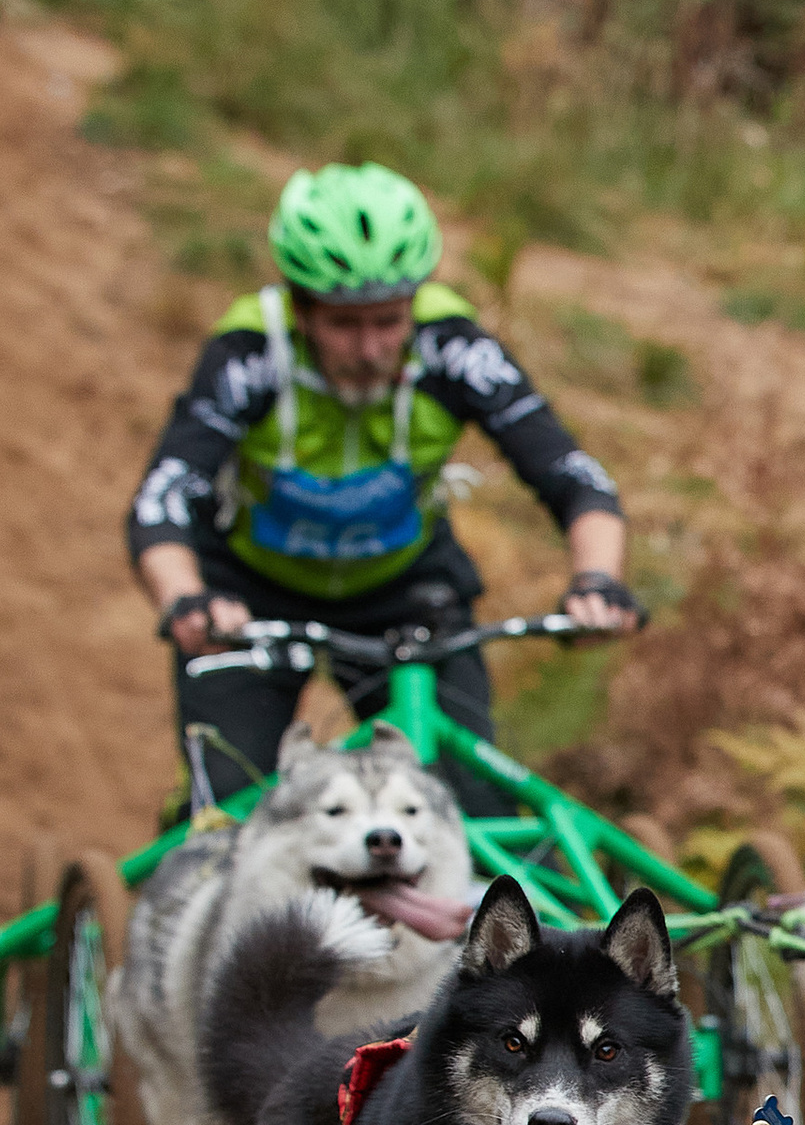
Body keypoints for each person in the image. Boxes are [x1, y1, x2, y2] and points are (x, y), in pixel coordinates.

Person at [127, 161, 640, 816]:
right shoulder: (251, 353)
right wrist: (186, 599)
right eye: (345, 324)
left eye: (390, 321)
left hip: (406, 593)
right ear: (301, 309)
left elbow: (572, 476)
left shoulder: (453, 347)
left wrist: (598, 580)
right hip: (250, 600)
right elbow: (164, 497)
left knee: (469, 804)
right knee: (233, 810)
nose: (371, 347)